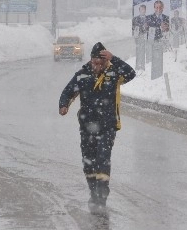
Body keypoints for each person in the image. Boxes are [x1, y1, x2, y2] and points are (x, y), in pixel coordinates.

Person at [58, 42, 136, 207]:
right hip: (87, 126)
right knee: (88, 161)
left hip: (107, 126)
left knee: (102, 159)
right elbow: (68, 91)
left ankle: (102, 192)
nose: (98, 66)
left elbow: (131, 73)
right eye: (95, 62)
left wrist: (114, 59)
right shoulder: (82, 75)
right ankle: (93, 190)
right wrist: (63, 105)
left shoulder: (114, 74)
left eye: (101, 63)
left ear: (106, 62)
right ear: (91, 60)